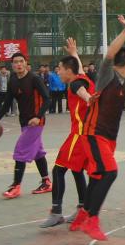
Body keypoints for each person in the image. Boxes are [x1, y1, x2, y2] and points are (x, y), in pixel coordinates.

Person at [71, 16, 125, 240]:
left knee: (98, 176)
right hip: (94, 133)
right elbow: (109, 55)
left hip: (108, 137)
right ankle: (92, 220)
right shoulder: (108, 75)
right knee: (109, 172)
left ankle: (82, 215)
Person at [39, 39, 95, 228]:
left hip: (79, 135)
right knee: (76, 170)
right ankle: (83, 208)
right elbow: (80, 73)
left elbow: (83, 92)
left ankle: (56, 212)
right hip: (88, 135)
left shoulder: (75, 84)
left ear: (69, 71)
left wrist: (88, 99)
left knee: (58, 170)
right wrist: (74, 53)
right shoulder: (83, 77)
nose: (58, 72)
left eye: (60, 69)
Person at [0, 52, 53, 199]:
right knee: (37, 152)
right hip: (24, 121)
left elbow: (47, 99)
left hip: (36, 122)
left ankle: (16, 186)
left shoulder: (34, 79)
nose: (18, 64)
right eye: (15, 62)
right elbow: (6, 104)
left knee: (20, 151)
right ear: (12, 65)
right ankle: (47, 182)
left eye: (21, 61)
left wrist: (38, 116)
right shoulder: (12, 81)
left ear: (25, 63)